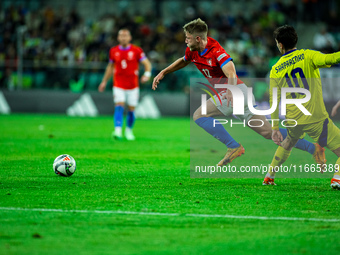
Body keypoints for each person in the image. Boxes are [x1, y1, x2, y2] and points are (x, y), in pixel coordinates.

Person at [152, 18, 325, 167]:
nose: (185, 41)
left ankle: (233, 146)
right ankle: (313, 148)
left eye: (188, 38)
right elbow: (183, 61)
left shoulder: (216, 51)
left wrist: (230, 90)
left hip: (234, 91)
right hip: (238, 93)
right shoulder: (193, 50)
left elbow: (231, 73)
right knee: (268, 133)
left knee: (199, 115)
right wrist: (163, 72)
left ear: (198, 38)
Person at [264, 25, 340, 190]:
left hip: (293, 120)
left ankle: (269, 175)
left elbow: (274, 100)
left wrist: (275, 127)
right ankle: (337, 178)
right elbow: (331, 59)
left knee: (289, 142)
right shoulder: (308, 55)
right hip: (315, 118)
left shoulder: (276, 69)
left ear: (280, 44)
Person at [98, 28, 152, 140]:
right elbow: (110, 67)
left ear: (130, 37)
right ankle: (117, 131)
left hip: (133, 86)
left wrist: (147, 74)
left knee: (131, 109)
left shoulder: (136, 50)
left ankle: (128, 131)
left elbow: (147, 63)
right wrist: (104, 81)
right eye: (121, 36)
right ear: (118, 38)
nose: (123, 38)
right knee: (119, 106)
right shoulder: (113, 51)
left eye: (125, 35)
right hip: (118, 84)